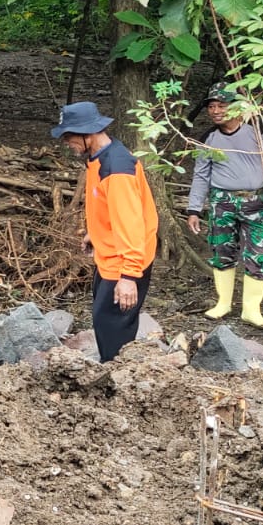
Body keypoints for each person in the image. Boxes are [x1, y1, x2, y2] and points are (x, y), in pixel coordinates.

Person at [51, 101, 159, 362]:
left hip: (124, 263)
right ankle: (113, 373)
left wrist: (129, 276)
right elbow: (109, 209)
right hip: (110, 257)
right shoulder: (98, 160)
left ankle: (119, 381)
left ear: (88, 133)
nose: (67, 143)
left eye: (69, 137)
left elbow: (131, 224)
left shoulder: (117, 169)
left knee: (113, 328)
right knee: (104, 321)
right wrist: (95, 233)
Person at [186, 83, 263, 328]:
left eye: (222, 105)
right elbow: (201, 175)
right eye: (211, 106)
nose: (216, 111)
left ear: (238, 107)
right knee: (222, 250)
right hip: (222, 201)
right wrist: (194, 208)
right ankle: (223, 303)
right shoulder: (208, 139)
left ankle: (252, 310)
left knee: (260, 252)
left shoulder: (261, 132)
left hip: (256, 200)